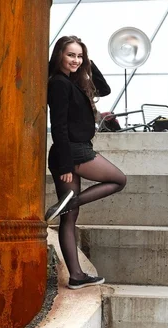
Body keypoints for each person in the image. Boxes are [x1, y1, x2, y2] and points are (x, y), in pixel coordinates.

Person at [45, 36, 126, 289]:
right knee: (118, 179)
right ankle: (70, 201)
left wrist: (88, 62)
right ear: (59, 55)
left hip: (71, 151)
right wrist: (68, 165)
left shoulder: (75, 82)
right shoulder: (59, 84)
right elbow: (57, 126)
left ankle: (76, 276)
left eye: (79, 56)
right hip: (72, 152)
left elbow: (104, 89)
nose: (75, 60)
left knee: (69, 218)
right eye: (71, 55)